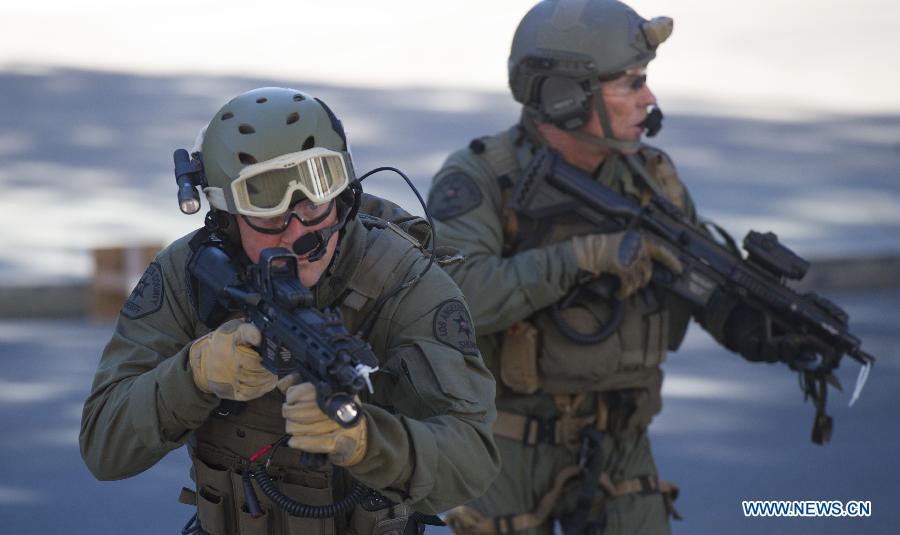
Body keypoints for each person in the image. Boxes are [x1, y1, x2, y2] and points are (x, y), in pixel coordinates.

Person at [427, 1, 827, 534]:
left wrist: (763, 329)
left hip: (620, 445)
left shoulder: (649, 180)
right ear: (566, 97)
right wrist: (582, 258)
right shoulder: (480, 177)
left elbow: (700, 279)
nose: (649, 99)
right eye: (630, 84)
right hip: (509, 446)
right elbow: (457, 300)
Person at [80, 86, 500, 535]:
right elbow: (105, 448)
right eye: (266, 209)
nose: (298, 234)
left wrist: (365, 441)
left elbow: (472, 462)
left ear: (343, 195)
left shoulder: (404, 281)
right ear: (225, 215)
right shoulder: (188, 271)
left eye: (313, 203)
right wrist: (194, 374)